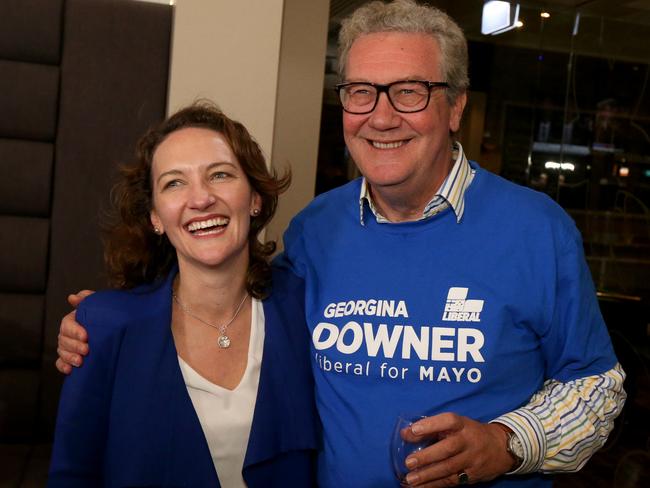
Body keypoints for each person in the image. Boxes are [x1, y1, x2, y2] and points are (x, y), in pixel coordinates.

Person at [56, 1, 626, 487]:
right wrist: (106, 325)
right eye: (360, 92)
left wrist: (507, 442)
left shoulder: (537, 230)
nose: (380, 117)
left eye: (408, 91)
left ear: (455, 107)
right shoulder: (315, 231)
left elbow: (598, 389)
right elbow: (225, 289)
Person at [48, 102, 319, 487]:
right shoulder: (102, 327)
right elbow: (73, 476)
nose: (201, 198)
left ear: (255, 197)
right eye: (174, 182)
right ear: (155, 216)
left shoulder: (305, 309)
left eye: (221, 175)